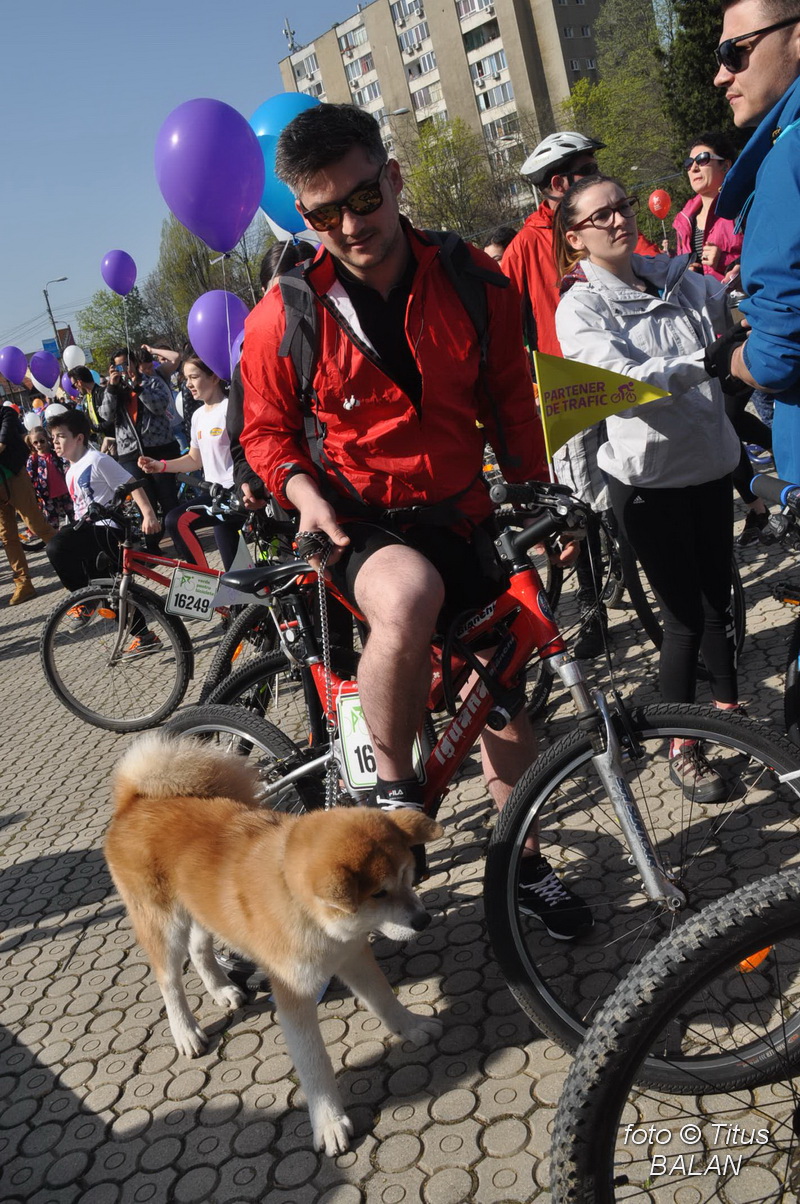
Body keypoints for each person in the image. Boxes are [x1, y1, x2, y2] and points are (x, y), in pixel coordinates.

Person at [240, 102, 589, 939]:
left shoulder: (474, 281)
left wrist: (538, 494)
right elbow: (263, 433)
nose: (351, 225)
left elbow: (511, 400)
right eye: (325, 214)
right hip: (355, 524)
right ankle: (390, 798)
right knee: (408, 593)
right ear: (304, 215)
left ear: (393, 179)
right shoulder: (286, 314)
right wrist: (303, 494)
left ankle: (524, 865)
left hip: (459, 511)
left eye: (364, 199)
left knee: (499, 701)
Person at [553, 174, 742, 801]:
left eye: (623, 206)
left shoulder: (678, 277)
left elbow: (733, 309)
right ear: (575, 237)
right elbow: (622, 381)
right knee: (682, 620)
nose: (619, 219)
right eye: (601, 215)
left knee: (720, 604)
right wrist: (705, 362)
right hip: (648, 484)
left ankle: (734, 720)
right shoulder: (579, 307)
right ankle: (683, 746)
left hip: (709, 465)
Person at [502, 132, 660, 658]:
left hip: (622, 374)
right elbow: (502, 322)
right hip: (566, 391)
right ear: (557, 183)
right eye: (587, 169)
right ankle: (593, 611)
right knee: (578, 511)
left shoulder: (602, 221)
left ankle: (657, 581)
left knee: (642, 482)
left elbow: (648, 262)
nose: (597, 176)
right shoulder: (525, 245)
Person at [713, 0, 800, 481]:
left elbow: (776, 360)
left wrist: (729, 359)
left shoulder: (789, 156)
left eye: (735, 52)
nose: (720, 76)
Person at [45, 409, 160, 645]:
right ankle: (145, 637)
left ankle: (85, 600)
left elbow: (131, 484)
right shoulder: (70, 469)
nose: (55, 442)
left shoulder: (97, 460)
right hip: (88, 532)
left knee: (55, 547)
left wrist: (148, 514)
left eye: (61, 436)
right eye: (53, 437)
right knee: (110, 593)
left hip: (106, 529)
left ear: (79, 438)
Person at [227, 239, 317, 512]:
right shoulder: (249, 362)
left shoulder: (343, 339)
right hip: (289, 502)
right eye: (280, 292)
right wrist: (249, 480)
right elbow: (243, 440)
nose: (288, 304)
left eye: (299, 290)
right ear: (263, 293)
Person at [138, 353, 242, 571]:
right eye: (185, 378)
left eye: (193, 377)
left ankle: (201, 583)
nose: (188, 384)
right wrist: (161, 465)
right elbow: (195, 460)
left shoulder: (229, 409)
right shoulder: (197, 416)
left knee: (176, 520)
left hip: (235, 494)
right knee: (237, 573)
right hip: (214, 495)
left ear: (214, 377)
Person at [98, 347, 180, 549]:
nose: (124, 369)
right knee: (145, 502)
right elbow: (105, 416)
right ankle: (152, 548)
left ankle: (182, 542)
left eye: (127, 364)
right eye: (119, 366)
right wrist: (112, 388)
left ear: (134, 363)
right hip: (130, 454)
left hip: (160, 449)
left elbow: (159, 407)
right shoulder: (112, 390)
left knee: (168, 498)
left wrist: (138, 387)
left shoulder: (151, 381)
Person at [0, 402, 56, 604]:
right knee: (7, 536)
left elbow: (2, 443)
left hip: (14, 477)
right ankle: (23, 583)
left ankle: (74, 560)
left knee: (36, 524)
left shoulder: (6, 414)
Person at [25, 427, 74, 529]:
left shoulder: (56, 454)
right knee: (52, 525)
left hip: (66, 493)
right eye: (35, 442)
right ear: (32, 444)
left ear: (47, 438)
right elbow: (30, 479)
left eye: (42, 441)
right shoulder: (33, 460)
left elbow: (67, 466)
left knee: (76, 519)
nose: (39, 444)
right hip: (47, 498)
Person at [67, 366, 114, 451]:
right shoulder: (86, 399)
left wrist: (96, 428)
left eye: (74, 385)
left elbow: (114, 419)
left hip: (114, 441)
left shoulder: (102, 393)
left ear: (79, 382)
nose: (76, 389)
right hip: (102, 443)